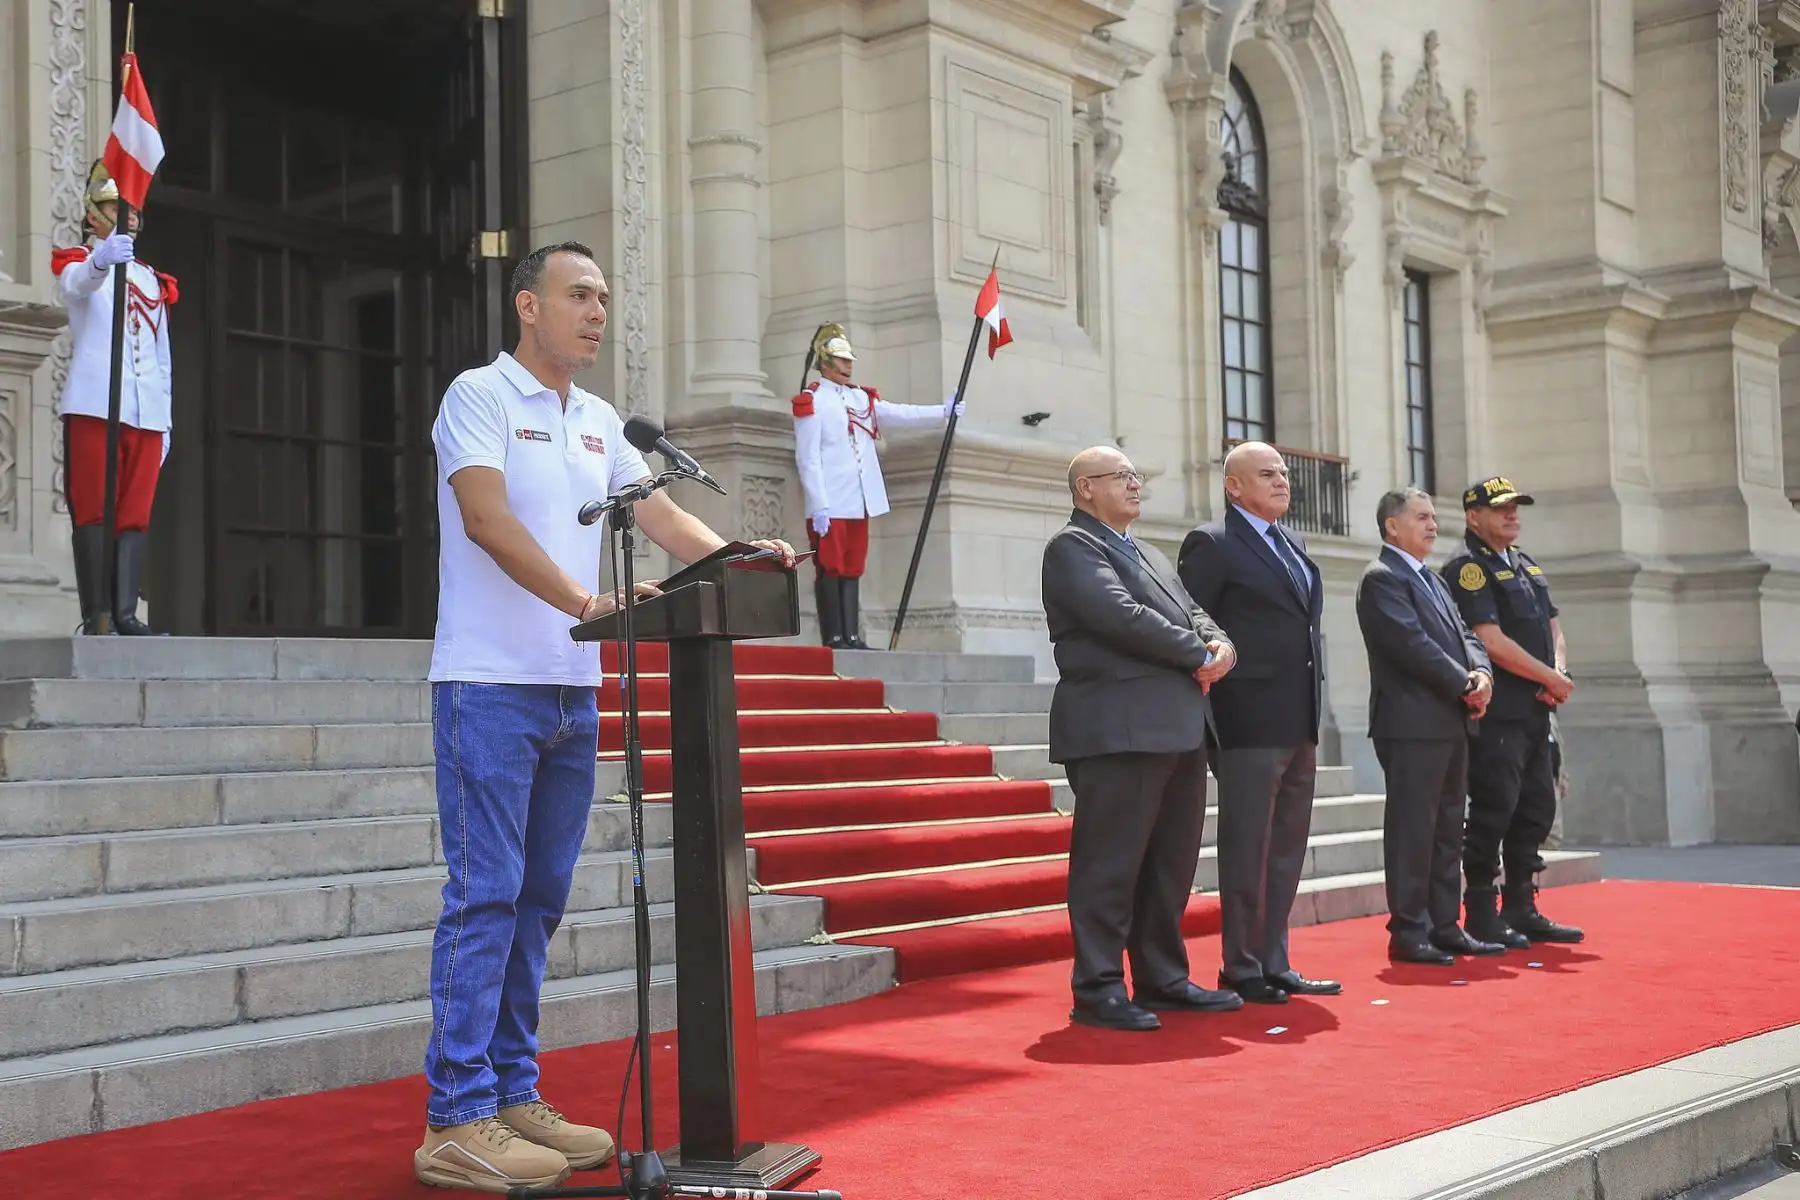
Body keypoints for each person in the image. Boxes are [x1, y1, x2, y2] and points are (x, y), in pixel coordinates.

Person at [417, 240, 794, 1194]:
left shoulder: (599, 423)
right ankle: (454, 1115)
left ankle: (511, 1090)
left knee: (539, 898)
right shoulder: (480, 397)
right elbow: (486, 519)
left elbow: (667, 525)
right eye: (577, 294)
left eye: (604, 297)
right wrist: (585, 606)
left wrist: (741, 558)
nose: (596, 310)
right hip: (488, 685)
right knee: (486, 894)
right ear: (527, 306)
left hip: (573, 692)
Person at [1042, 445, 1244, 1031]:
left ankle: (1163, 977)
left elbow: (1195, 611)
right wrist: (1198, 653)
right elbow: (1118, 614)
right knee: (1111, 864)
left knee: (1170, 864)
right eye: (1123, 477)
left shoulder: (1148, 550)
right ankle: (1099, 987)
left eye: (1137, 475)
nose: (1136, 485)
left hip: (1178, 728)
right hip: (1118, 728)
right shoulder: (1073, 547)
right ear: (1085, 489)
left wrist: (1221, 645)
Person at [1177, 442, 1341, 1004]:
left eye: (1284, 474)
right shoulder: (1213, 544)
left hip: (1299, 719)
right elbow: (1192, 621)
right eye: (1267, 474)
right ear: (1234, 487)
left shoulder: (1293, 542)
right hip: (1246, 719)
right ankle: (1241, 966)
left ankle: (1276, 960)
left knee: (1286, 847)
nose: (1282, 481)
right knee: (1248, 847)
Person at [1354, 487, 1501, 966]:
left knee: (1445, 829)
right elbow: (1411, 644)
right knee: (1413, 829)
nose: (1433, 525)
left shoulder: (1434, 581)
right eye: (1422, 517)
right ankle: (1409, 929)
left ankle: (1444, 923)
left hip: (1452, 720)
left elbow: (1466, 636)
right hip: (1412, 724)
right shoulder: (1381, 578)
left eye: (1435, 517)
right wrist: (1464, 682)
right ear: (1392, 526)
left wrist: (1482, 674)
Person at [1439, 477, 1584, 945]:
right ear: (1473, 516)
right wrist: (1549, 677)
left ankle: (1523, 907)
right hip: (1498, 714)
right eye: (1500, 508)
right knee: (1494, 808)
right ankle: (1481, 910)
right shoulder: (1468, 568)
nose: (1512, 514)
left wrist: (1557, 674)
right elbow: (1489, 639)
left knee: (1537, 806)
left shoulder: (1525, 563)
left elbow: (1553, 624)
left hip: (1538, 710)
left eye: (1515, 507)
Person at [49, 160, 176, 635]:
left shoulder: (149, 279)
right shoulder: (83, 263)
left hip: (146, 412)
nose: (129, 213)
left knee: (135, 510)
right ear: (93, 213)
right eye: (115, 204)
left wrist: (167, 419)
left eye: (132, 206)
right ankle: (96, 613)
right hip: (95, 405)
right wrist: (101, 261)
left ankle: (126, 613)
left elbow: (163, 357)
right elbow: (74, 286)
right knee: (93, 505)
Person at [792, 324, 961, 649]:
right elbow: (807, 459)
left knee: (853, 566)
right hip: (830, 500)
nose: (848, 364)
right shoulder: (812, 401)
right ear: (825, 361)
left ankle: (852, 635)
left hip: (859, 499)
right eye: (841, 359)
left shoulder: (861, 398)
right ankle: (834, 636)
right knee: (831, 566)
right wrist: (818, 504)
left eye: (849, 359)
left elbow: (899, 414)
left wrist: (943, 412)